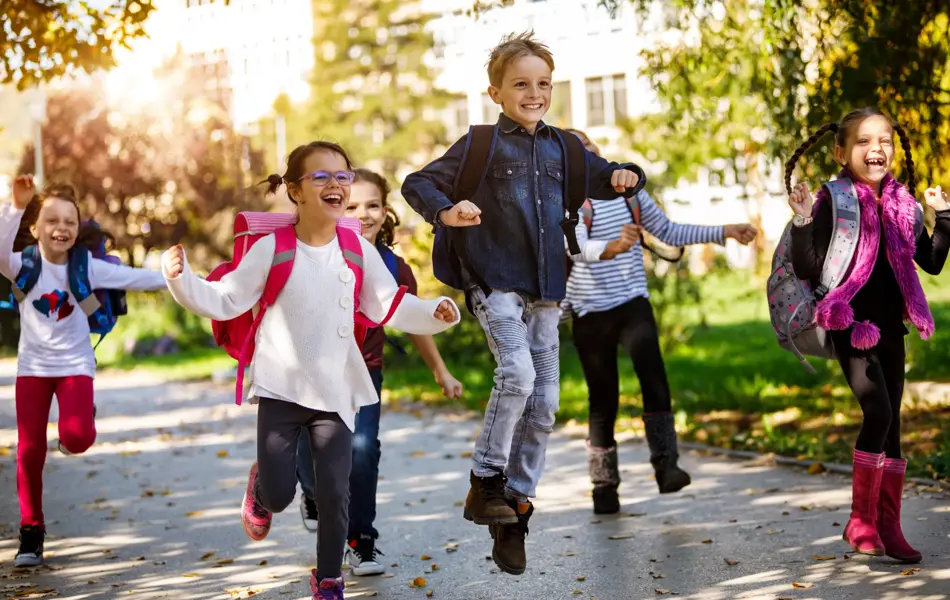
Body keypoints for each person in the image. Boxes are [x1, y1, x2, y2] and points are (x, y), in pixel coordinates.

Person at [161, 141, 460, 599]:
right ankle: (262, 485)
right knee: (281, 496)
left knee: (335, 494)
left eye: (342, 175)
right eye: (320, 177)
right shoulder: (272, 248)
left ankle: (328, 580)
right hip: (281, 390)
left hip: (335, 391)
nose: (335, 184)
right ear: (295, 191)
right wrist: (180, 280)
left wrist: (433, 311)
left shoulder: (357, 249)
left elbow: (389, 304)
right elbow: (225, 300)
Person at [401, 31, 644, 575]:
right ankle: (484, 480)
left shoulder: (565, 146)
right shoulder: (480, 144)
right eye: (520, 84)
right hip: (494, 279)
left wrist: (628, 174)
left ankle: (514, 507)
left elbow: (606, 178)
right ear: (496, 92)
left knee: (547, 403)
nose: (533, 93)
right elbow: (418, 182)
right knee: (517, 375)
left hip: (546, 288)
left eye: (542, 83)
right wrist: (447, 210)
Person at [787, 107, 950, 563]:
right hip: (847, 322)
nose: (876, 149)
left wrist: (945, 215)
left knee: (893, 424)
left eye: (884, 141)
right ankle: (861, 518)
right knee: (877, 411)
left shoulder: (903, 204)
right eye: (863, 141)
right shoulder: (833, 199)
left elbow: (931, 261)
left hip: (891, 326)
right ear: (841, 152)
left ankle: (890, 526)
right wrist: (802, 220)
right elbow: (809, 267)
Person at [563, 129, 757, 513]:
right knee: (603, 399)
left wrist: (724, 231)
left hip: (632, 302)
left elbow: (667, 230)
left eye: (590, 147)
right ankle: (604, 487)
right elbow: (577, 248)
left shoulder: (629, 193)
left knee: (654, 377)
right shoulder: (570, 204)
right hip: (589, 311)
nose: (587, 155)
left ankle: (666, 466)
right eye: (577, 152)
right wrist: (614, 246)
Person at [294, 167, 463, 577]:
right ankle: (312, 493)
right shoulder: (312, 254)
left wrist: (441, 371)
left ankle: (361, 540)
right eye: (352, 206)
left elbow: (413, 318)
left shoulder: (393, 266)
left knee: (363, 448)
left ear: (386, 212)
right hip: (311, 371)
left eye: (372, 205)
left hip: (364, 371)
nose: (363, 213)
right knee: (312, 448)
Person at [1, 178, 167, 567]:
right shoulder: (21, 264)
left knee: (76, 437)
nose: (61, 228)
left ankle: (79, 419)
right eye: (52, 221)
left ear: (78, 230)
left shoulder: (86, 267)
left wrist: (179, 276)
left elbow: (137, 277)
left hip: (75, 365)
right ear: (35, 228)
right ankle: (31, 530)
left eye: (70, 222)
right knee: (29, 450)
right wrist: (14, 204)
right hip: (33, 369)